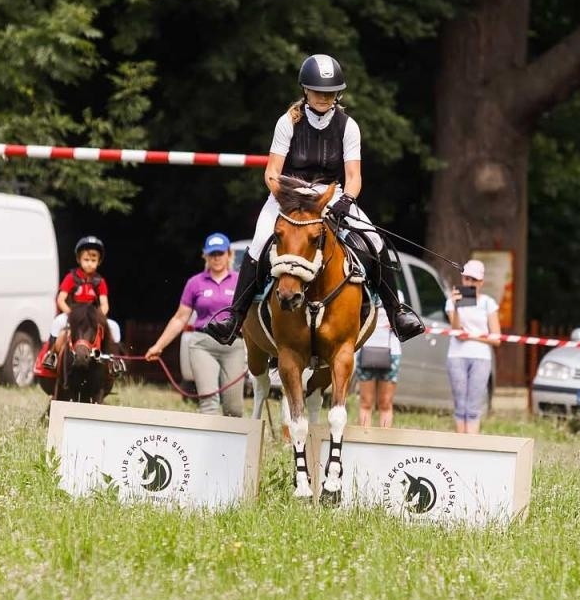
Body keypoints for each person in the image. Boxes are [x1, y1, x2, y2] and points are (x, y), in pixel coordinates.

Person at [199, 54, 426, 346]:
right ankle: (235, 317)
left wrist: (346, 200)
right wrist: (285, 197)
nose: (324, 97)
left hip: (330, 195)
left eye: (330, 93)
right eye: (319, 91)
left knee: (375, 240)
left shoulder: (348, 126)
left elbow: (354, 176)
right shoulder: (287, 122)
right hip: (288, 196)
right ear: (306, 90)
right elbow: (271, 173)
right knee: (258, 243)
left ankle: (397, 314)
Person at [144, 232, 247, 416]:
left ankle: (230, 445)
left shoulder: (239, 281)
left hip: (234, 345)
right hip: (202, 344)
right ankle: (208, 443)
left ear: (229, 254)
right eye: (212, 254)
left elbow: (249, 316)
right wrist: (158, 346)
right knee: (208, 402)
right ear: (205, 256)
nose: (216, 258)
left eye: (220, 253)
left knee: (234, 408)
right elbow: (180, 318)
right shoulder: (195, 283)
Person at [446, 258, 501, 434]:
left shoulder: (488, 303)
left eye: (474, 280)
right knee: (460, 404)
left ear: (481, 282)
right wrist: (455, 307)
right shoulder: (452, 301)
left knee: (474, 406)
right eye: (467, 279)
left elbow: (496, 338)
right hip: (456, 355)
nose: (469, 283)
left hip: (481, 357)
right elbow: (456, 331)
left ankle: (472, 445)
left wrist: (472, 337)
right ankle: (460, 444)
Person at [43, 235, 109, 371]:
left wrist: (98, 316)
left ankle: (114, 361)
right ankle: (52, 355)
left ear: (99, 262)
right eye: (86, 259)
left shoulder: (100, 281)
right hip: (72, 314)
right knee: (57, 324)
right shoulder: (71, 278)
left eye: (93, 260)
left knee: (114, 327)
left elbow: (104, 304)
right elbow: (60, 299)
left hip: (91, 317)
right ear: (79, 259)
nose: (89, 263)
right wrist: (70, 314)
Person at [356, 293, 402, 427]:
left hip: (391, 351)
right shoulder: (363, 291)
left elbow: (401, 322)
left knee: (386, 403)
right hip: (365, 349)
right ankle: (364, 443)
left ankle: (384, 443)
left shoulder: (396, 294)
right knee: (365, 403)